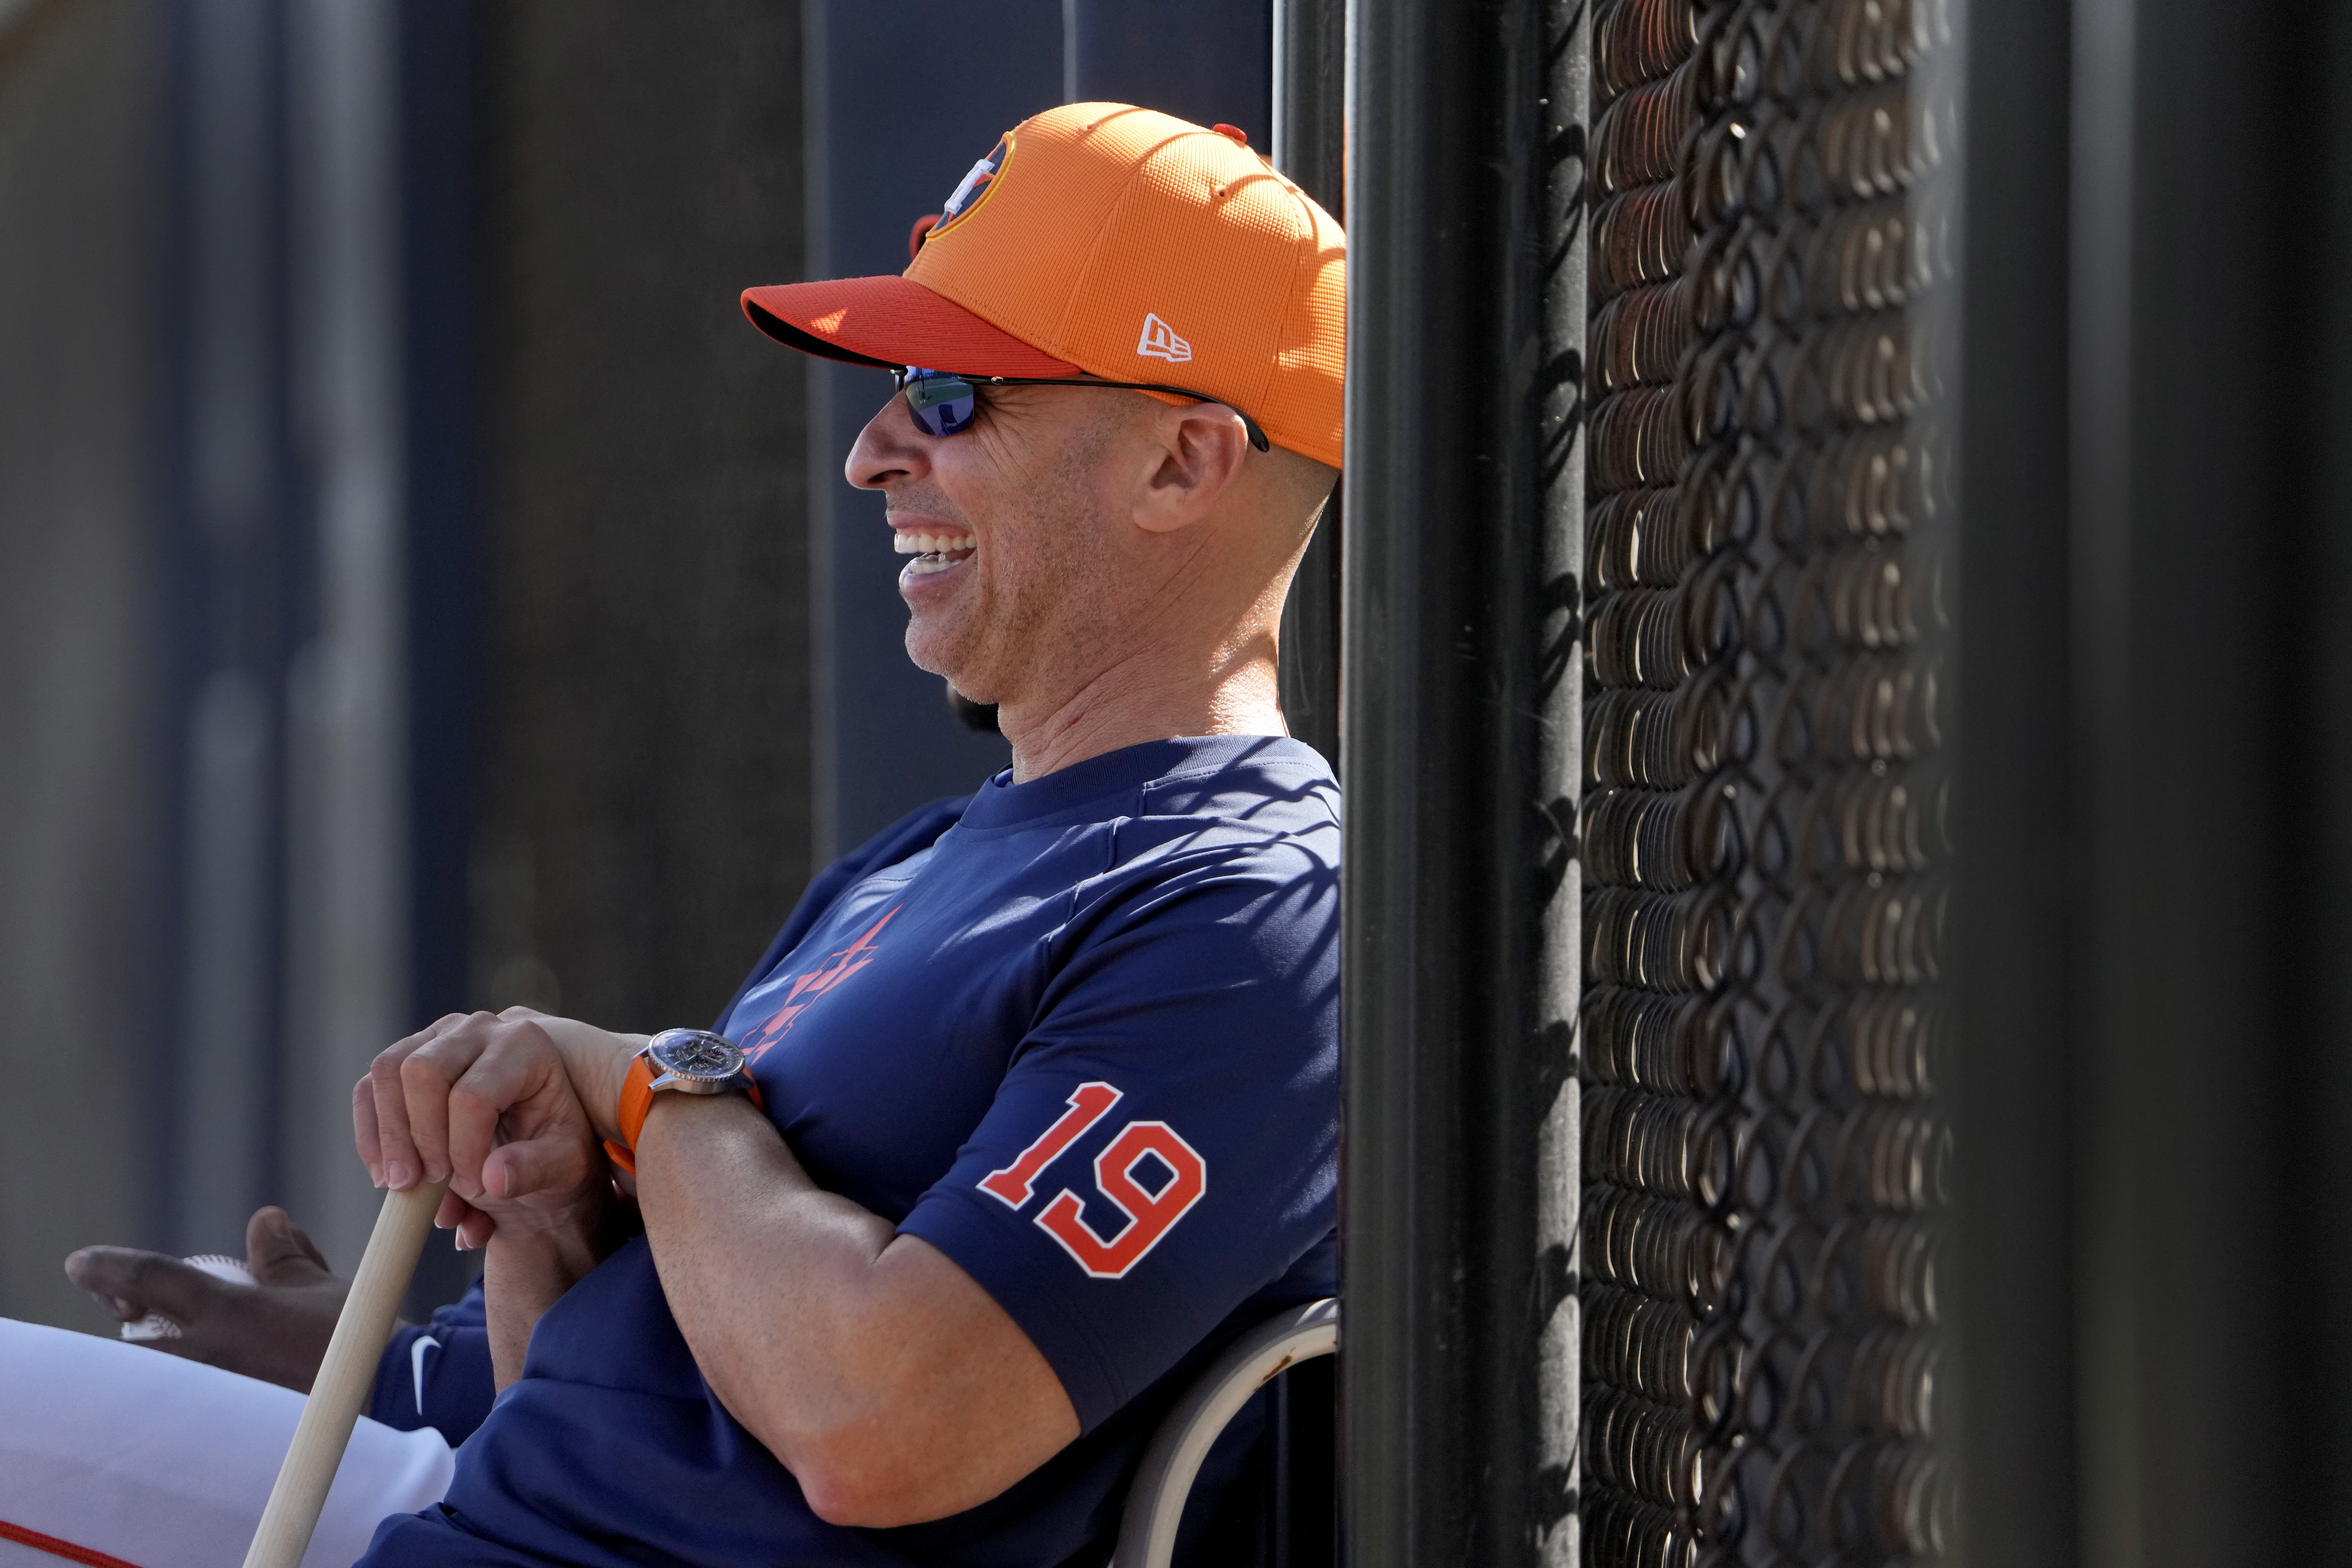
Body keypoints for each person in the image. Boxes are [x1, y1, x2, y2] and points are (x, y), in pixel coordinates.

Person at [3, 101, 1342, 1568]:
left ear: (1183, 464)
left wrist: (658, 1083)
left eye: (956, 395)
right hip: (473, 1512)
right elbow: (618, 1395)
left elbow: (879, 1413)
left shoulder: (1259, 914)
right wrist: (517, 1243)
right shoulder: (916, 858)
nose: (874, 453)